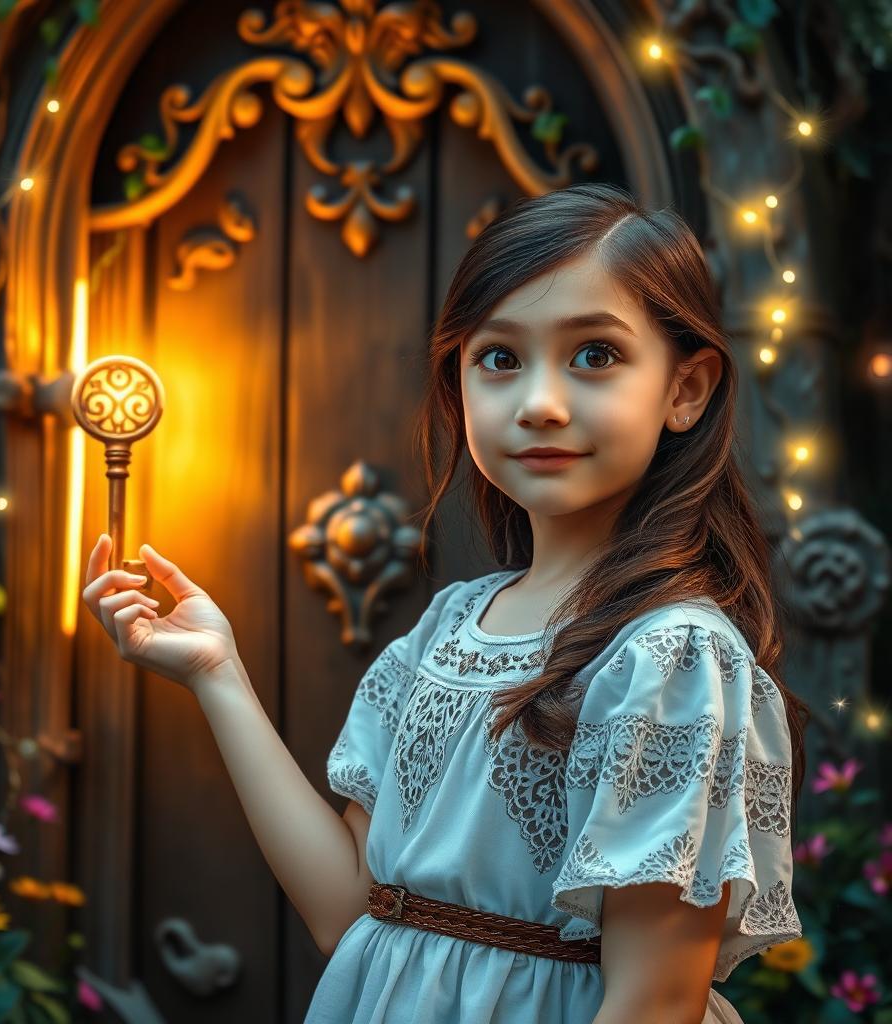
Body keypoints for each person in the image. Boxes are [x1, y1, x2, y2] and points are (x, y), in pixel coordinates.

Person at [82, 182, 810, 1024]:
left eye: (595, 356)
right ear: (458, 387)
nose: (539, 400)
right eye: (499, 358)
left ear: (685, 389)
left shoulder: (671, 654)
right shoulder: (448, 629)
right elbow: (349, 913)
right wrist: (218, 672)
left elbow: (652, 1003)